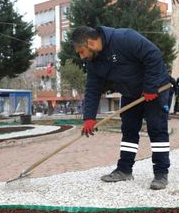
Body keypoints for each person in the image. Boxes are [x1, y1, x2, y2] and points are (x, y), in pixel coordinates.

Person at [71, 25, 171, 190]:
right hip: (130, 93)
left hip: (155, 89)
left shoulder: (125, 38)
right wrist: (89, 117)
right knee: (129, 131)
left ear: (90, 43)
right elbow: (92, 88)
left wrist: (150, 87)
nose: (82, 57)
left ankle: (161, 174)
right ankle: (124, 170)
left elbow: (153, 55)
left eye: (82, 51)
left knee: (157, 130)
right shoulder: (93, 62)